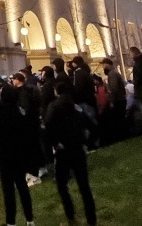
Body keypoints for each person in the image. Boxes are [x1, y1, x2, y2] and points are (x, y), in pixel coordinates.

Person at [44, 75, 96, 226]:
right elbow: (91, 125)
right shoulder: (75, 106)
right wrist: (86, 142)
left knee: (62, 184)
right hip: (78, 149)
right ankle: (91, 219)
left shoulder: (53, 106)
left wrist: (54, 143)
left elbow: (48, 125)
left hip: (63, 151)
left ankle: (70, 214)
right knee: (84, 186)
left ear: (57, 92)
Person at [0, 73, 37, 226]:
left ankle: (11, 222)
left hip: (6, 157)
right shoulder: (19, 113)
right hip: (19, 155)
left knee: (8, 191)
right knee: (22, 187)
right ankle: (29, 219)